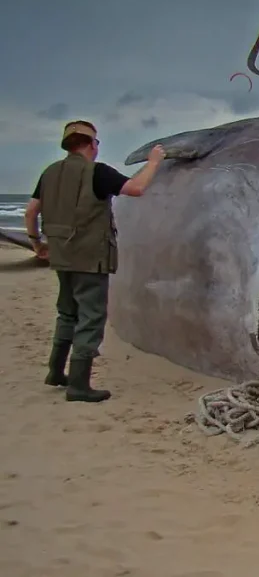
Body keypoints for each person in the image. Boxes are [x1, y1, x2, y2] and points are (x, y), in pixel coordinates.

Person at [23, 121, 165, 402]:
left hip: (61, 257)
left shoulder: (50, 172)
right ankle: (78, 385)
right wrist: (153, 162)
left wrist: (36, 241)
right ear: (91, 145)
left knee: (67, 313)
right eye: (96, 142)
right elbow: (136, 188)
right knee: (91, 318)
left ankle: (55, 372)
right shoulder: (97, 172)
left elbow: (31, 212)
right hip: (90, 258)